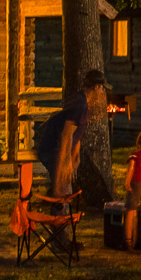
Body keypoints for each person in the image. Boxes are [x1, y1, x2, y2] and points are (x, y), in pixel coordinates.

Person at [37, 69, 109, 207]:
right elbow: (67, 134)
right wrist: (66, 162)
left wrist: (76, 158)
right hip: (52, 147)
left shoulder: (83, 101)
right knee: (63, 189)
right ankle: (60, 221)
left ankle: (61, 220)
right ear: (96, 87)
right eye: (102, 89)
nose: (102, 93)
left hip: (58, 149)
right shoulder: (80, 104)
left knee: (64, 187)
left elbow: (77, 133)